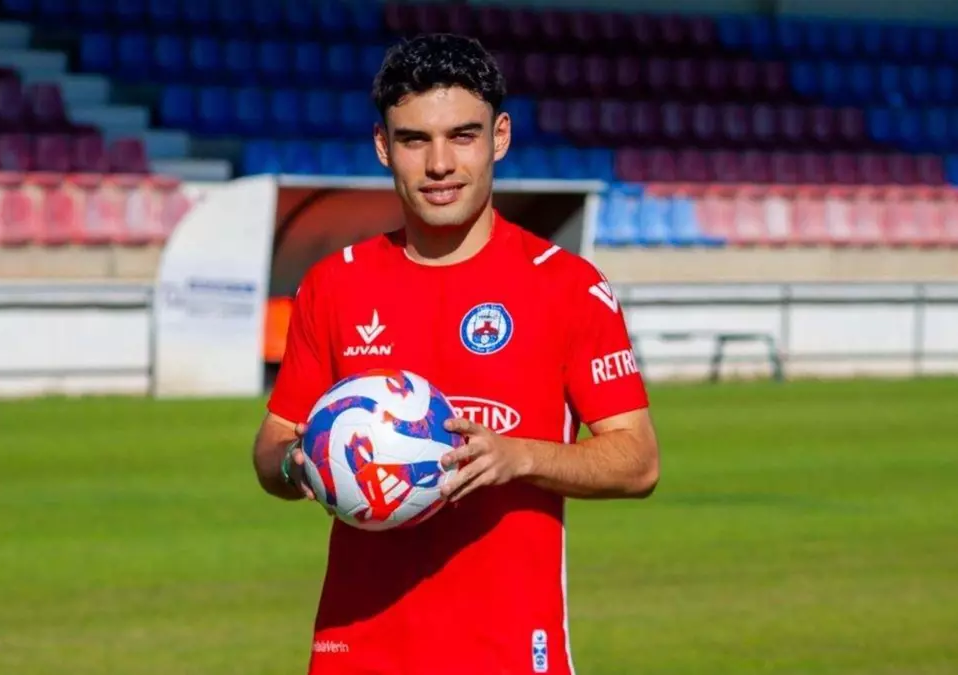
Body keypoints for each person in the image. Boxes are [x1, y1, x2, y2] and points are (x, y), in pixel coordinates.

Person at [252, 33, 661, 675]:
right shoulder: (334, 284)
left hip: (508, 653)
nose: (439, 164)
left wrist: (519, 456)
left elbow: (638, 461)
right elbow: (271, 446)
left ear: (500, 136)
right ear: (384, 146)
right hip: (356, 652)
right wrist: (302, 467)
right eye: (414, 140)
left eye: (462, 136)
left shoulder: (567, 286)